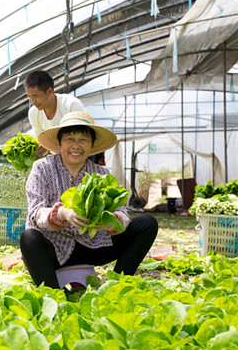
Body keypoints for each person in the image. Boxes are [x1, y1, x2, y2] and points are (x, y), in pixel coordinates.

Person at [20, 111, 158, 289]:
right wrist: (62, 213)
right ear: (60, 142)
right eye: (70, 139)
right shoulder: (42, 168)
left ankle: (117, 286)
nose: (76, 145)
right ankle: (53, 295)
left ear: (92, 145)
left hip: (94, 246)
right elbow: (35, 213)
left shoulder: (102, 173)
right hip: (55, 247)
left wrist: (111, 222)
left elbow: (122, 212)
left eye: (83, 140)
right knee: (29, 238)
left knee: (147, 223)